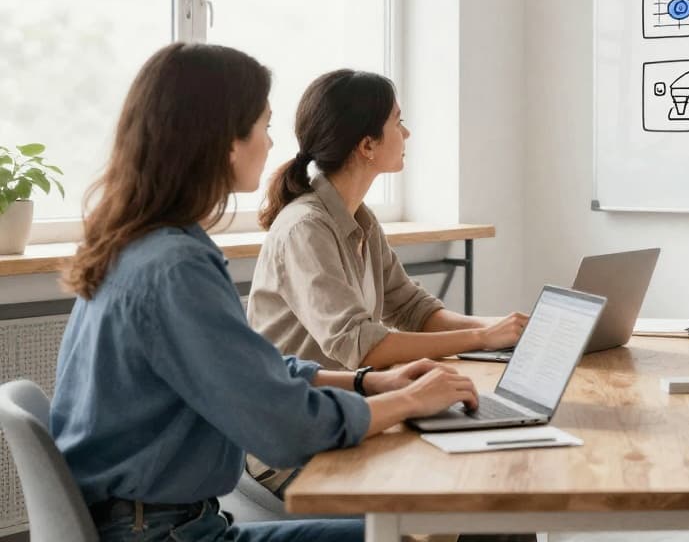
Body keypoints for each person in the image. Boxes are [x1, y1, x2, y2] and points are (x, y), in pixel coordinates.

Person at [51, 43, 479, 542]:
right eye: (264, 126)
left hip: (158, 520)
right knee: (430, 531)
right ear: (224, 142)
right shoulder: (176, 267)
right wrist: (408, 401)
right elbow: (286, 427)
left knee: (450, 520)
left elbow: (253, 370)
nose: (272, 144)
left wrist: (368, 384)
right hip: (165, 533)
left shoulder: (140, 242)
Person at [244, 69, 526, 497]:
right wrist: (482, 338)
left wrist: (508, 330)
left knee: (492, 484)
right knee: (463, 494)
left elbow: (412, 308)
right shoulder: (305, 228)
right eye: (398, 121)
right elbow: (363, 344)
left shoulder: (359, 218)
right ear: (367, 145)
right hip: (294, 444)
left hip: (350, 414)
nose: (407, 133)